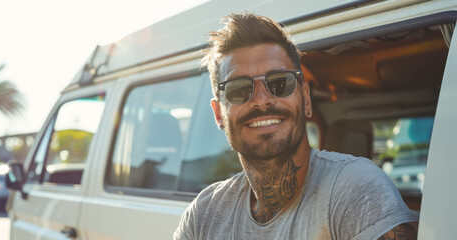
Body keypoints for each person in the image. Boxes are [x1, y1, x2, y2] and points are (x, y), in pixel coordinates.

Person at [174, 11, 419, 240]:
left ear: (305, 98)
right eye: (239, 89)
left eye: (280, 83)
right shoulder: (203, 215)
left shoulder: (357, 189)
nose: (262, 100)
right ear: (218, 113)